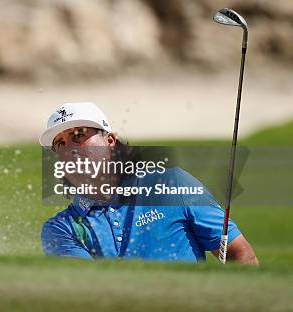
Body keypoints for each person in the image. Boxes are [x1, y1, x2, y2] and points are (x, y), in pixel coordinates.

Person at [39, 102, 258, 264]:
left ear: (110, 141)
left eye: (78, 135)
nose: (69, 149)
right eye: (60, 144)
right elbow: (91, 294)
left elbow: (240, 254)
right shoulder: (61, 229)